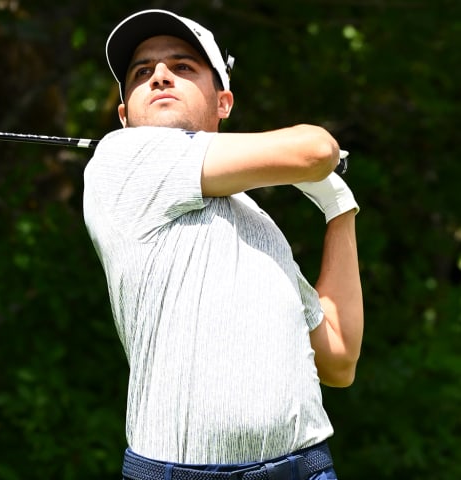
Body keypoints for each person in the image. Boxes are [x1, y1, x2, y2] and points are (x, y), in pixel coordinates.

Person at [82, 9, 364, 480]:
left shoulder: (255, 219)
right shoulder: (120, 158)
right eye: (141, 72)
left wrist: (340, 211)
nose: (160, 77)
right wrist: (317, 167)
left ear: (224, 102)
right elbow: (316, 149)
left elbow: (338, 357)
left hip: (305, 466)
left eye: (184, 67)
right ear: (124, 115)